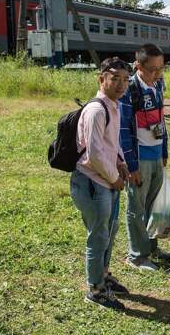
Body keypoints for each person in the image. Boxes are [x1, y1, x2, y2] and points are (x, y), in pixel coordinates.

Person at [70, 57, 131, 310]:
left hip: (107, 181)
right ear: (101, 78)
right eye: (115, 78)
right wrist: (115, 178)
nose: (121, 84)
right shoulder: (96, 109)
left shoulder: (114, 105)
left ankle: (103, 274)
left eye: (126, 79)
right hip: (93, 182)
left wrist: (121, 161)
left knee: (110, 230)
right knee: (98, 236)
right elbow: (94, 154)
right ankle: (95, 289)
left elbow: (110, 143)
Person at [119, 44, 170, 272]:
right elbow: (123, 130)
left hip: (157, 154)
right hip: (139, 158)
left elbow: (161, 118)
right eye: (152, 69)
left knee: (154, 204)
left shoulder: (158, 84)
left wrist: (165, 150)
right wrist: (131, 166)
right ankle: (137, 256)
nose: (157, 74)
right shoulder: (129, 89)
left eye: (161, 69)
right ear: (138, 66)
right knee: (137, 207)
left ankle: (152, 247)